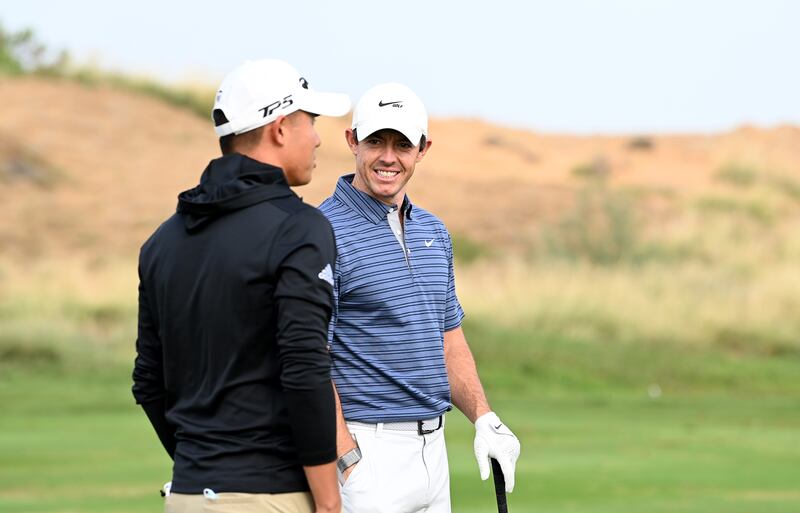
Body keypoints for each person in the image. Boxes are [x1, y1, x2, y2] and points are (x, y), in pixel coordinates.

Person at [132, 59, 350, 513]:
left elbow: (149, 383)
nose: (317, 137)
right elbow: (305, 367)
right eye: (310, 121)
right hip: (271, 497)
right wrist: (329, 503)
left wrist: (203, 469)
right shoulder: (299, 228)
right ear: (281, 127)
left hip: (188, 494)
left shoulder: (161, 242)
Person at [319, 83, 521, 513]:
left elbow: (448, 339)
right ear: (352, 141)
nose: (388, 157)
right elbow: (309, 356)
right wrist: (347, 460)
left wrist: (484, 418)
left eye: (402, 144)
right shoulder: (321, 234)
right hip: (366, 451)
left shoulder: (434, 231)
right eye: (376, 141)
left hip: (434, 451)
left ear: (423, 149)